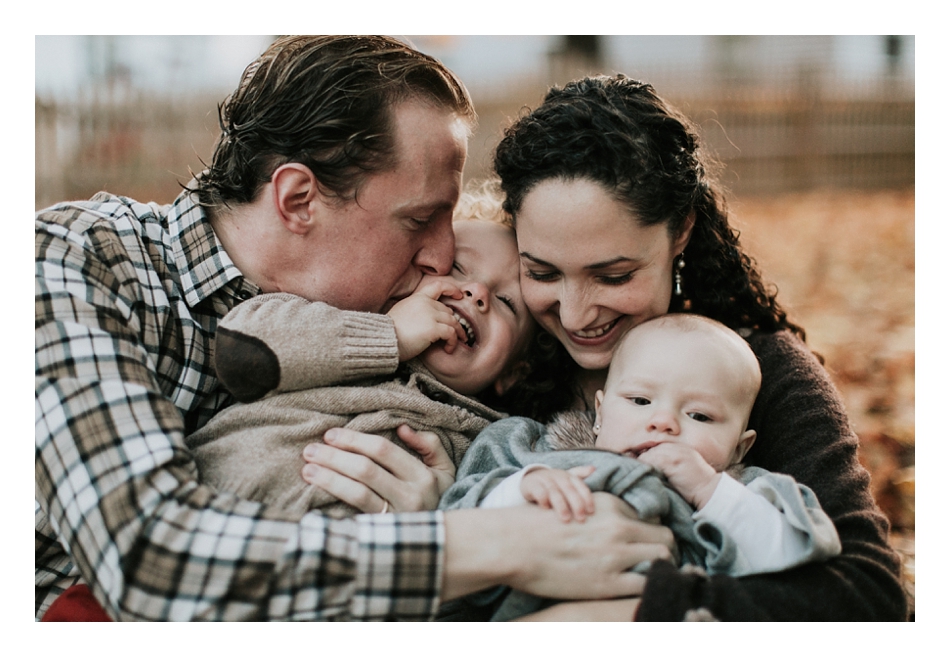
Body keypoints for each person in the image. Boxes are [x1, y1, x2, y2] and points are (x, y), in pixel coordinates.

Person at [35, 37, 672, 622]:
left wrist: (437, 507)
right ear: (297, 200)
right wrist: (481, 543)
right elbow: (151, 561)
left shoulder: (402, 315)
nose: (443, 255)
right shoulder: (72, 263)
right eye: (421, 219)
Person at [481, 74, 907, 621]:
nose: (574, 314)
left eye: (613, 277)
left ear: (680, 231)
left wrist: (629, 615)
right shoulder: (504, 365)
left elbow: (867, 599)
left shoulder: (757, 371)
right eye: (542, 272)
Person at [440, 314, 842, 620]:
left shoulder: (741, 491)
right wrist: (522, 488)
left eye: (700, 416)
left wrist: (710, 491)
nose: (663, 422)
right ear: (598, 413)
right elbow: (456, 518)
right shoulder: (533, 451)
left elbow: (797, 556)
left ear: (740, 448)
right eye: (640, 401)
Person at [185, 194, 538, 518]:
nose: (477, 293)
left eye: (507, 303)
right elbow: (241, 347)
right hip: (192, 513)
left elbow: (496, 518)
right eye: (459, 268)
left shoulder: (484, 444)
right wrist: (390, 334)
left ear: (515, 373)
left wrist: (439, 511)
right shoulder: (339, 322)